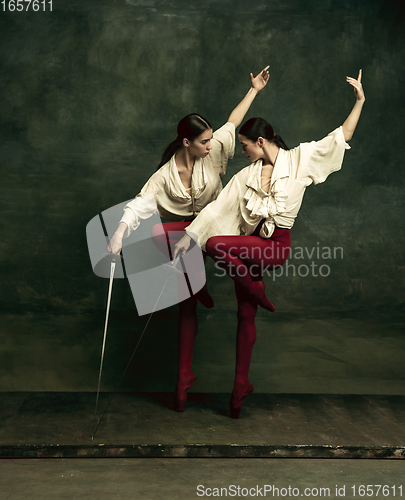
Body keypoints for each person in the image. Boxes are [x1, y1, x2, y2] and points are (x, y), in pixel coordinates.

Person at [174, 70, 365, 418]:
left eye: (245, 146)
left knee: (217, 245)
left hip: (275, 247)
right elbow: (219, 207)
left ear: (260, 141)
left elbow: (340, 136)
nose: (242, 152)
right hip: (247, 251)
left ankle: (259, 292)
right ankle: (239, 389)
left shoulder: (300, 159)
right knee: (245, 313)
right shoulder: (246, 175)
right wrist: (189, 237)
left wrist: (360, 102)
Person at [107, 66, 270, 411]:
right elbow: (139, 206)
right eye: (204, 141)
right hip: (185, 238)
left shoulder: (214, 150)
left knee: (238, 283)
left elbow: (232, 122)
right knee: (161, 238)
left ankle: (239, 374)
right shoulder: (163, 177)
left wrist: (253, 89)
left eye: (211, 139)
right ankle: (182, 379)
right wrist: (119, 234)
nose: (212, 145)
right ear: (186, 142)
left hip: (220, 228)